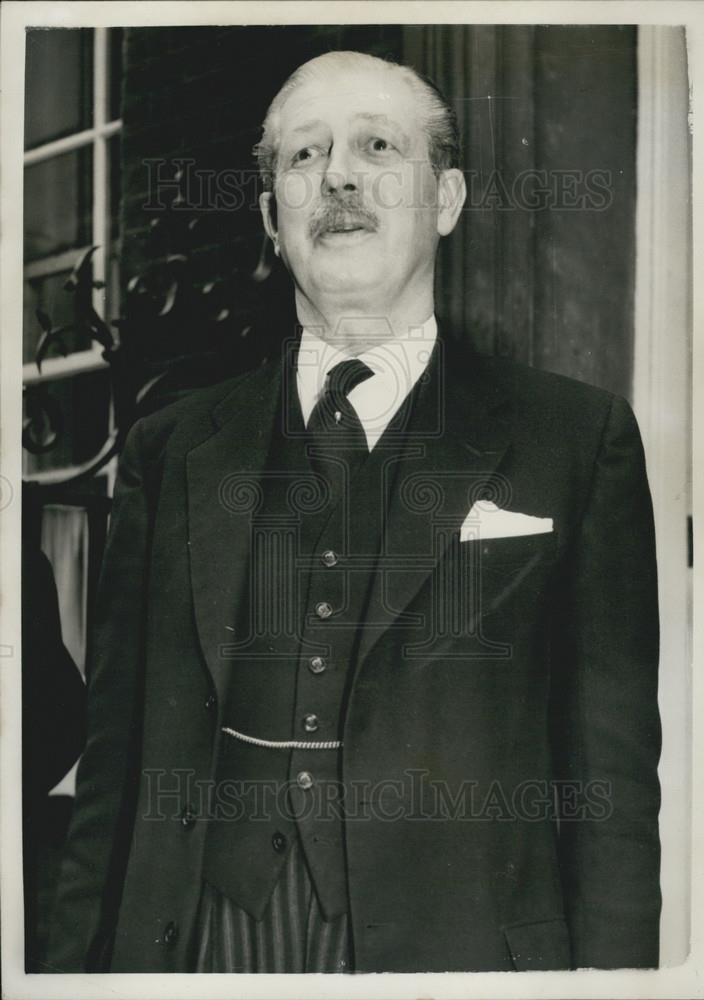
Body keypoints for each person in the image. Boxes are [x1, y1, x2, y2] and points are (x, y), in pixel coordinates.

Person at [48, 50, 661, 974]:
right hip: (200, 948)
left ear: (445, 201)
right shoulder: (167, 449)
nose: (337, 175)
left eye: (377, 146)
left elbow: (609, 791)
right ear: (268, 215)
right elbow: (112, 773)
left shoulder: (575, 441)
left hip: (458, 959)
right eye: (304, 157)